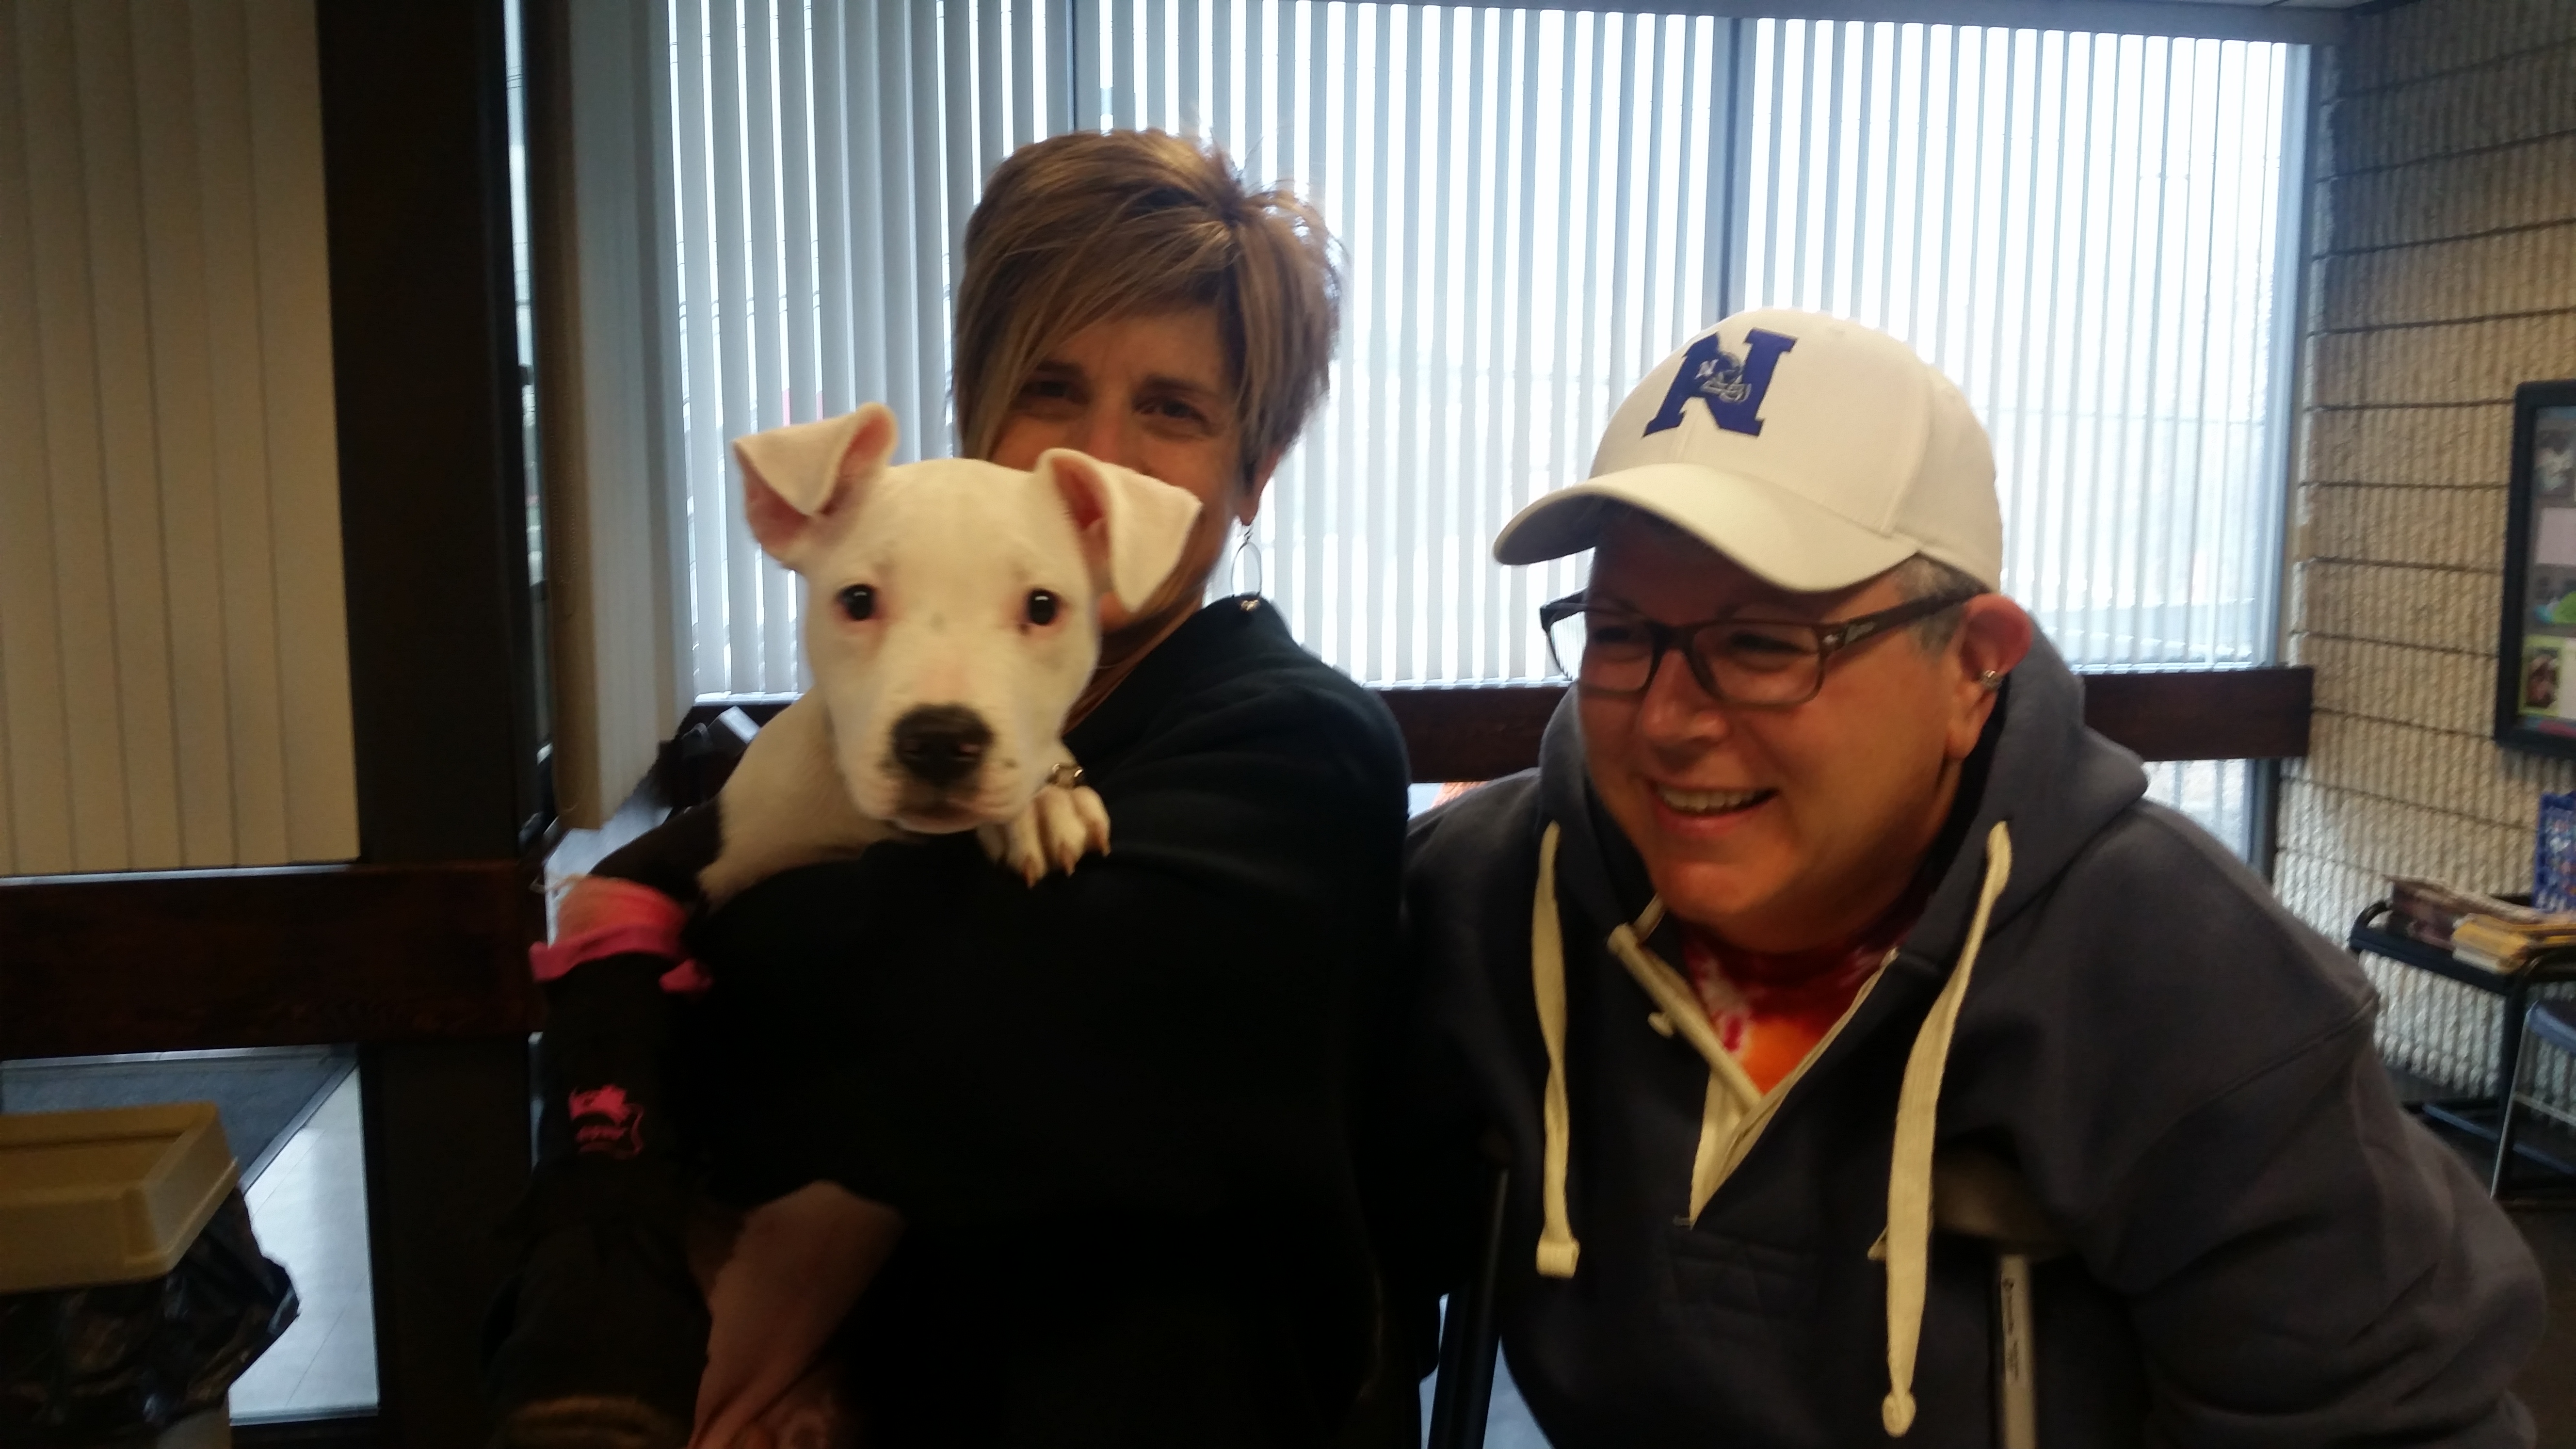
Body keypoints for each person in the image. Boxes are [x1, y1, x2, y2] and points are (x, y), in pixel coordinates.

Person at [1392, 308, 2546, 1445]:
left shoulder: (2190, 988)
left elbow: (2383, 1427)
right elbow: (1319, 1303)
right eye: (1620, 631)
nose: (1668, 717)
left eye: (1763, 644)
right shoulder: (1479, 902)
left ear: (1973, 669)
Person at [485, 130, 1413, 1449]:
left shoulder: (1299, 747)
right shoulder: (883, 720)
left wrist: (680, 966)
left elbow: (928, 1053)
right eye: (1050, 385)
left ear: (1253, 471)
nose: (1097, 456)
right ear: (978, 413)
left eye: (1175, 409)